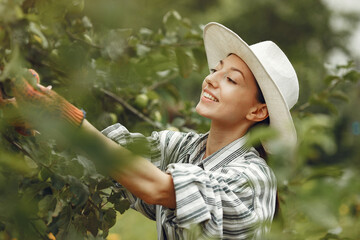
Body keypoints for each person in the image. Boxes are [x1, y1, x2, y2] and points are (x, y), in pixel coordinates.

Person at [1, 22, 299, 239]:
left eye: (231, 80)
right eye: (214, 70)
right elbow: (114, 153)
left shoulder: (253, 178)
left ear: (258, 111)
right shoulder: (186, 149)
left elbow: (158, 187)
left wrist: (67, 119)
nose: (211, 80)